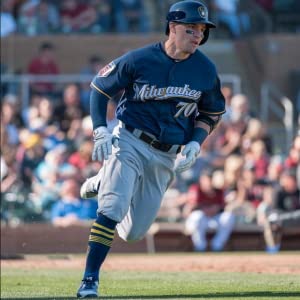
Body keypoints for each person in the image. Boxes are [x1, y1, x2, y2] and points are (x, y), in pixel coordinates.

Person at [76, 1, 225, 298]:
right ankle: (89, 281)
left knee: (134, 233)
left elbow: (212, 112)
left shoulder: (206, 69)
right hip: (129, 140)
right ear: (172, 26)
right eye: (191, 28)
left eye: (201, 30)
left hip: (166, 155)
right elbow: (100, 87)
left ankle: (104, 181)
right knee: (112, 208)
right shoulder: (140, 59)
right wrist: (100, 129)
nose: (197, 35)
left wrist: (196, 141)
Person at [184, 170, 235, 252]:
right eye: (207, 179)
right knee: (197, 216)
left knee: (229, 216)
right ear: (201, 180)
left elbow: (222, 207)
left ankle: (217, 246)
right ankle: (200, 247)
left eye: (211, 179)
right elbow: (192, 207)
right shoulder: (196, 189)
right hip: (199, 220)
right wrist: (209, 209)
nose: (209, 181)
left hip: (213, 219)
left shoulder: (219, 190)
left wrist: (215, 208)